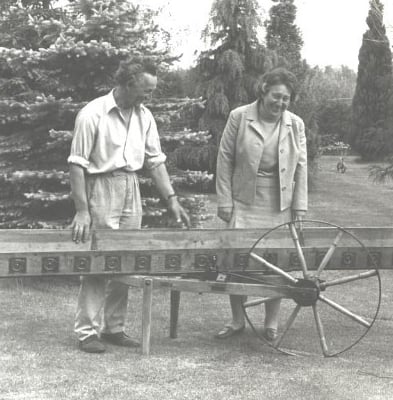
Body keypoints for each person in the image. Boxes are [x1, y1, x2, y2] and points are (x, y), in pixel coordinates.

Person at [68, 56, 190, 353]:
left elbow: (156, 162)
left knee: (126, 259)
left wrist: (172, 200)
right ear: (128, 82)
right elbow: (77, 165)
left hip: (131, 188)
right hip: (101, 187)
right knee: (98, 261)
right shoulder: (92, 114)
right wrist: (83, 210)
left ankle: (114, 328)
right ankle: (86, 332)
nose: (150, 96)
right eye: (146, 90)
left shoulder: (145, 116)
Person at [215, 67, 307, 340]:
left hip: (279, 203)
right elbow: (225, 159)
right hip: (243, 199)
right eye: (276, 96)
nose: (280, 103)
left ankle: (271, 324)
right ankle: (237, 321)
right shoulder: (239, 116)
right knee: (238, 261)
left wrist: (299, 207)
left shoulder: (295, 124)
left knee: (275, 263)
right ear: (263, 90)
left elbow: (301, 167)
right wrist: (225, 200)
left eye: (286, 98)